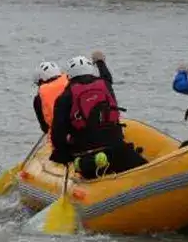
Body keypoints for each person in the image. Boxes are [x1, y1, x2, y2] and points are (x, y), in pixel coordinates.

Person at [49, 51, 147, 180]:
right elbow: (107, 76)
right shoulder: (105, 85)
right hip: (118, 149)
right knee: (143, 168)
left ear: (69, 76)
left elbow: (58, 134)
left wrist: (63, 155)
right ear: (90, 70)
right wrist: (100, 62)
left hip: (88, 156)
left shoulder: (64, 97)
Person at [32, 61, 68, 134]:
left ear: (41, 81)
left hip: (59, 136)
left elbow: (45, 128)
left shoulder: (38, 98)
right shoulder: (71, 82)